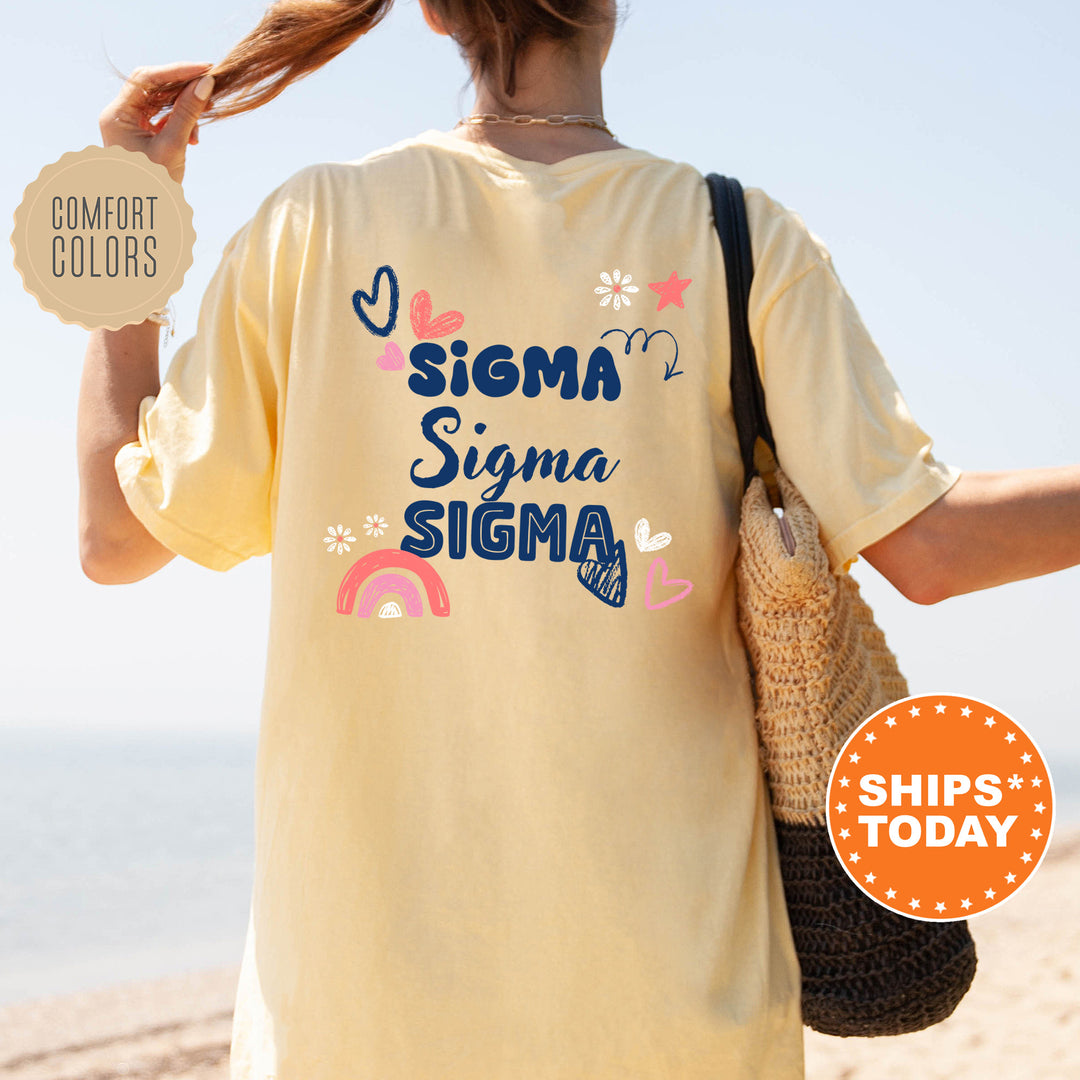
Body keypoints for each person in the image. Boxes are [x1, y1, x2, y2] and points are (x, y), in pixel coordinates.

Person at [77, 2, 1080, 1078]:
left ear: (433, 13)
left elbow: (115, 541)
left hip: (358, 1020)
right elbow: (931, 548)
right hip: (674, 1009)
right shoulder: (736, 242)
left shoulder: (314, 227)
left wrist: (130, 209)